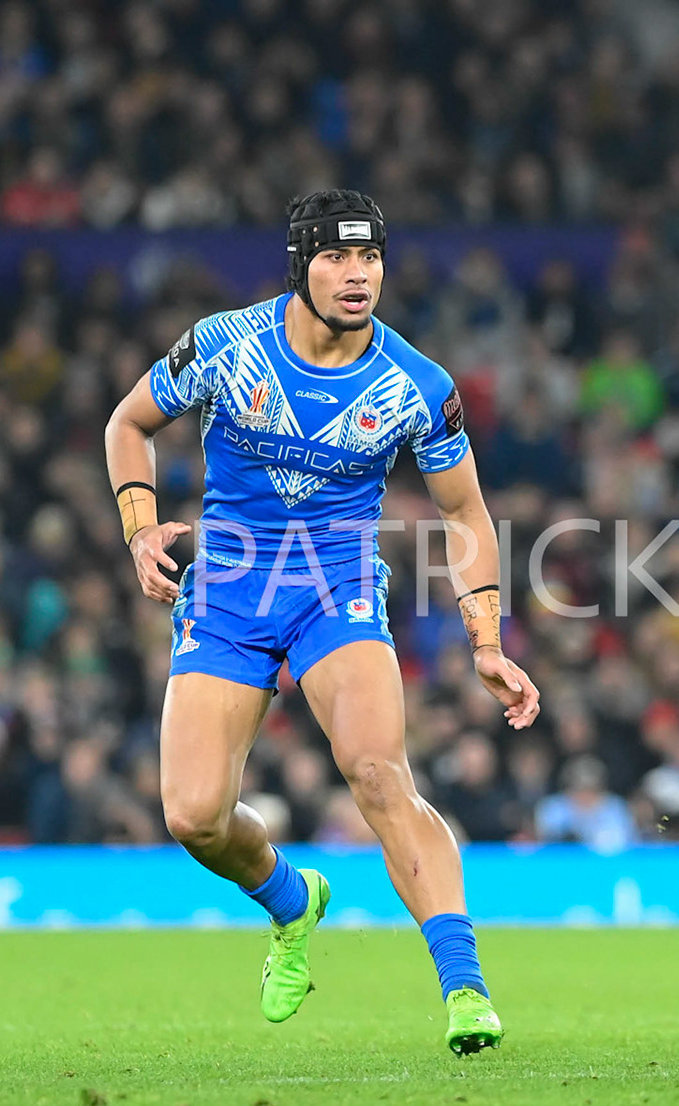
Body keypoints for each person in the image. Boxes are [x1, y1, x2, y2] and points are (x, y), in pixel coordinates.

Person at [102, 190, 540, 1055]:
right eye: (337, 258)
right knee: (193, 816)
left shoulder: (418, 385)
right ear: (301, 263)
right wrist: (140, 524)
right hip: (227, 591)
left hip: (335, 589)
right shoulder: (227, 345)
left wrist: (486, 642)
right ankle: (292, 902)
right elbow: (130, 423)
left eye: (370, 258)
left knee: (379, 772)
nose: (357, 275)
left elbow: (468, 516)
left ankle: (465, 989)